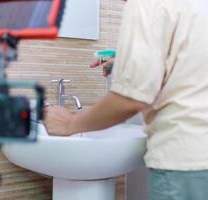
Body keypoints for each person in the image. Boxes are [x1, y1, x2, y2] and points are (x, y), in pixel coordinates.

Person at [44, 0, 208, 199]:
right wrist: (127, 62)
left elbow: (129, 100)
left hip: (183, 160)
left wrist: (69, 123)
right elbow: (186, 60)